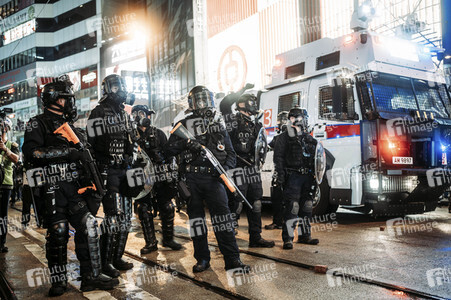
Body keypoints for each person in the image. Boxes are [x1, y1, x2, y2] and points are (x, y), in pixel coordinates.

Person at [22, 76, 118, 296]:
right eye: (67, 99)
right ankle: (58, 281)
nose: (71, 103)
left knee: (90, 225)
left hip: (73, 188)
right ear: (56, 100)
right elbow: (32, 153)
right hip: (51, 189)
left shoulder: (73, 128)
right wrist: (67, 152)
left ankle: (91, 277)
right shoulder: (38, 123)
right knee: (58, 231)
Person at [165, 85, 250, 273]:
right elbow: (168, 150)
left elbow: (231, 154)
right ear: (192, 103)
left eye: (205, 99)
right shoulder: (184, 123)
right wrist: (187, 143)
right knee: (197, 222)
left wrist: (224, 171)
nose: (203, 104)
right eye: (199, 100)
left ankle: (233, 260)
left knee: (224, 221)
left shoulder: (218, 124)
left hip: (214, 179)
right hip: (191, 178)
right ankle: (202, 259)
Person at [87, 74, 135, 278]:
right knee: (112, 218)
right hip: (107, 171)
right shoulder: (98, 112)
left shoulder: (125, 114)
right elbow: (90, 144)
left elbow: (130, 142)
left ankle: (117, 257)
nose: (120, 90)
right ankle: (105, 262)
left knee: (127, 217)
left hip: (124, 171)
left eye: (122, 86)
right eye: (116, 86)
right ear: (107, 89)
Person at [131, 105, 181, 254]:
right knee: (144, 209)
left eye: (141, 113)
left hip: (160, 176)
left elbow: (169, 153)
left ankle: (168, 239)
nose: (138, 116)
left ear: (148, 116)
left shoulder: (159, 134)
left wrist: (171, 171)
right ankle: (151, 243)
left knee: (167, 206)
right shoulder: (131, 135)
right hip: (141, 178)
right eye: (135, 114)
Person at [227, 93, 274, 248]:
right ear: (243, 104)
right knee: (237, 202)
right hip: (238, 168)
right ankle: (229, 237)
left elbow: (261, 146)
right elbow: (225, 145)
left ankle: (256, 237)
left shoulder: (256, 125)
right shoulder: (232, 122)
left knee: (256, 202)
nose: (254, 105)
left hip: (253, 169)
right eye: (251, 102)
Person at [273, 105, 319, 250]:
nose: (294, 120)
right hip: (292, 176)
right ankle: (288, 238)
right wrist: (281, 175)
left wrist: (317, 176)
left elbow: (318, 158)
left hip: (308, 176)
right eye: (292, 118)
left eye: (297, 117)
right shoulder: (283, 137)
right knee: (292, 208)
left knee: (307, 207)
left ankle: (305, 236)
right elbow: (278, 158)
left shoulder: (309, 138)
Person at [265, 111, 289, 230]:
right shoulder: (279, 137)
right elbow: (269, 146)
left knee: (282, 198)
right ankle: (279, 221)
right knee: (277, 197)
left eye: (284, 120)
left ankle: (280, 222)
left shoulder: (288, 137)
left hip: (286, 170)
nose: (282, 122)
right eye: (281, 120)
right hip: (280, 170)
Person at [0, 116, 19, 253]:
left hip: (5, 184)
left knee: (2, 216)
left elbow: (16, 159)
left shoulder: (12, 145)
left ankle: (1, 242)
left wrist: (5, 150)